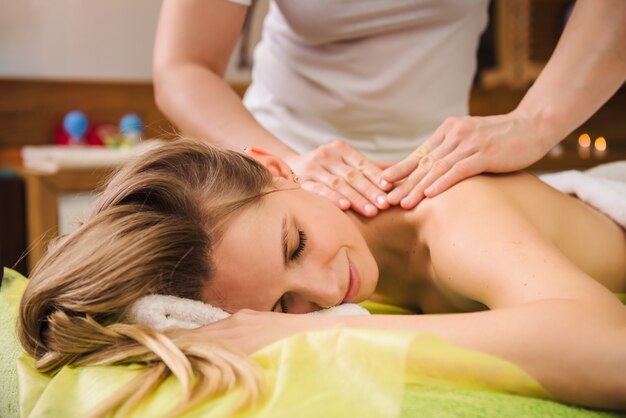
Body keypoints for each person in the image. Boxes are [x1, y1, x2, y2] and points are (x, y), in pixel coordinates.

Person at [18, 139, 626, 416]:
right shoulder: (343, 262)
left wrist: (297, 335)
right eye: (286, 305)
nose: (329, 291)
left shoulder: (453, 218)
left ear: (276, 168)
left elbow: (611, 352)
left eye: (296, 244)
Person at [153, 0, 626, 215]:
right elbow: (183, 65)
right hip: (282, 167)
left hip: (439, 178)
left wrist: (535, 122)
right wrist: (285, 162)